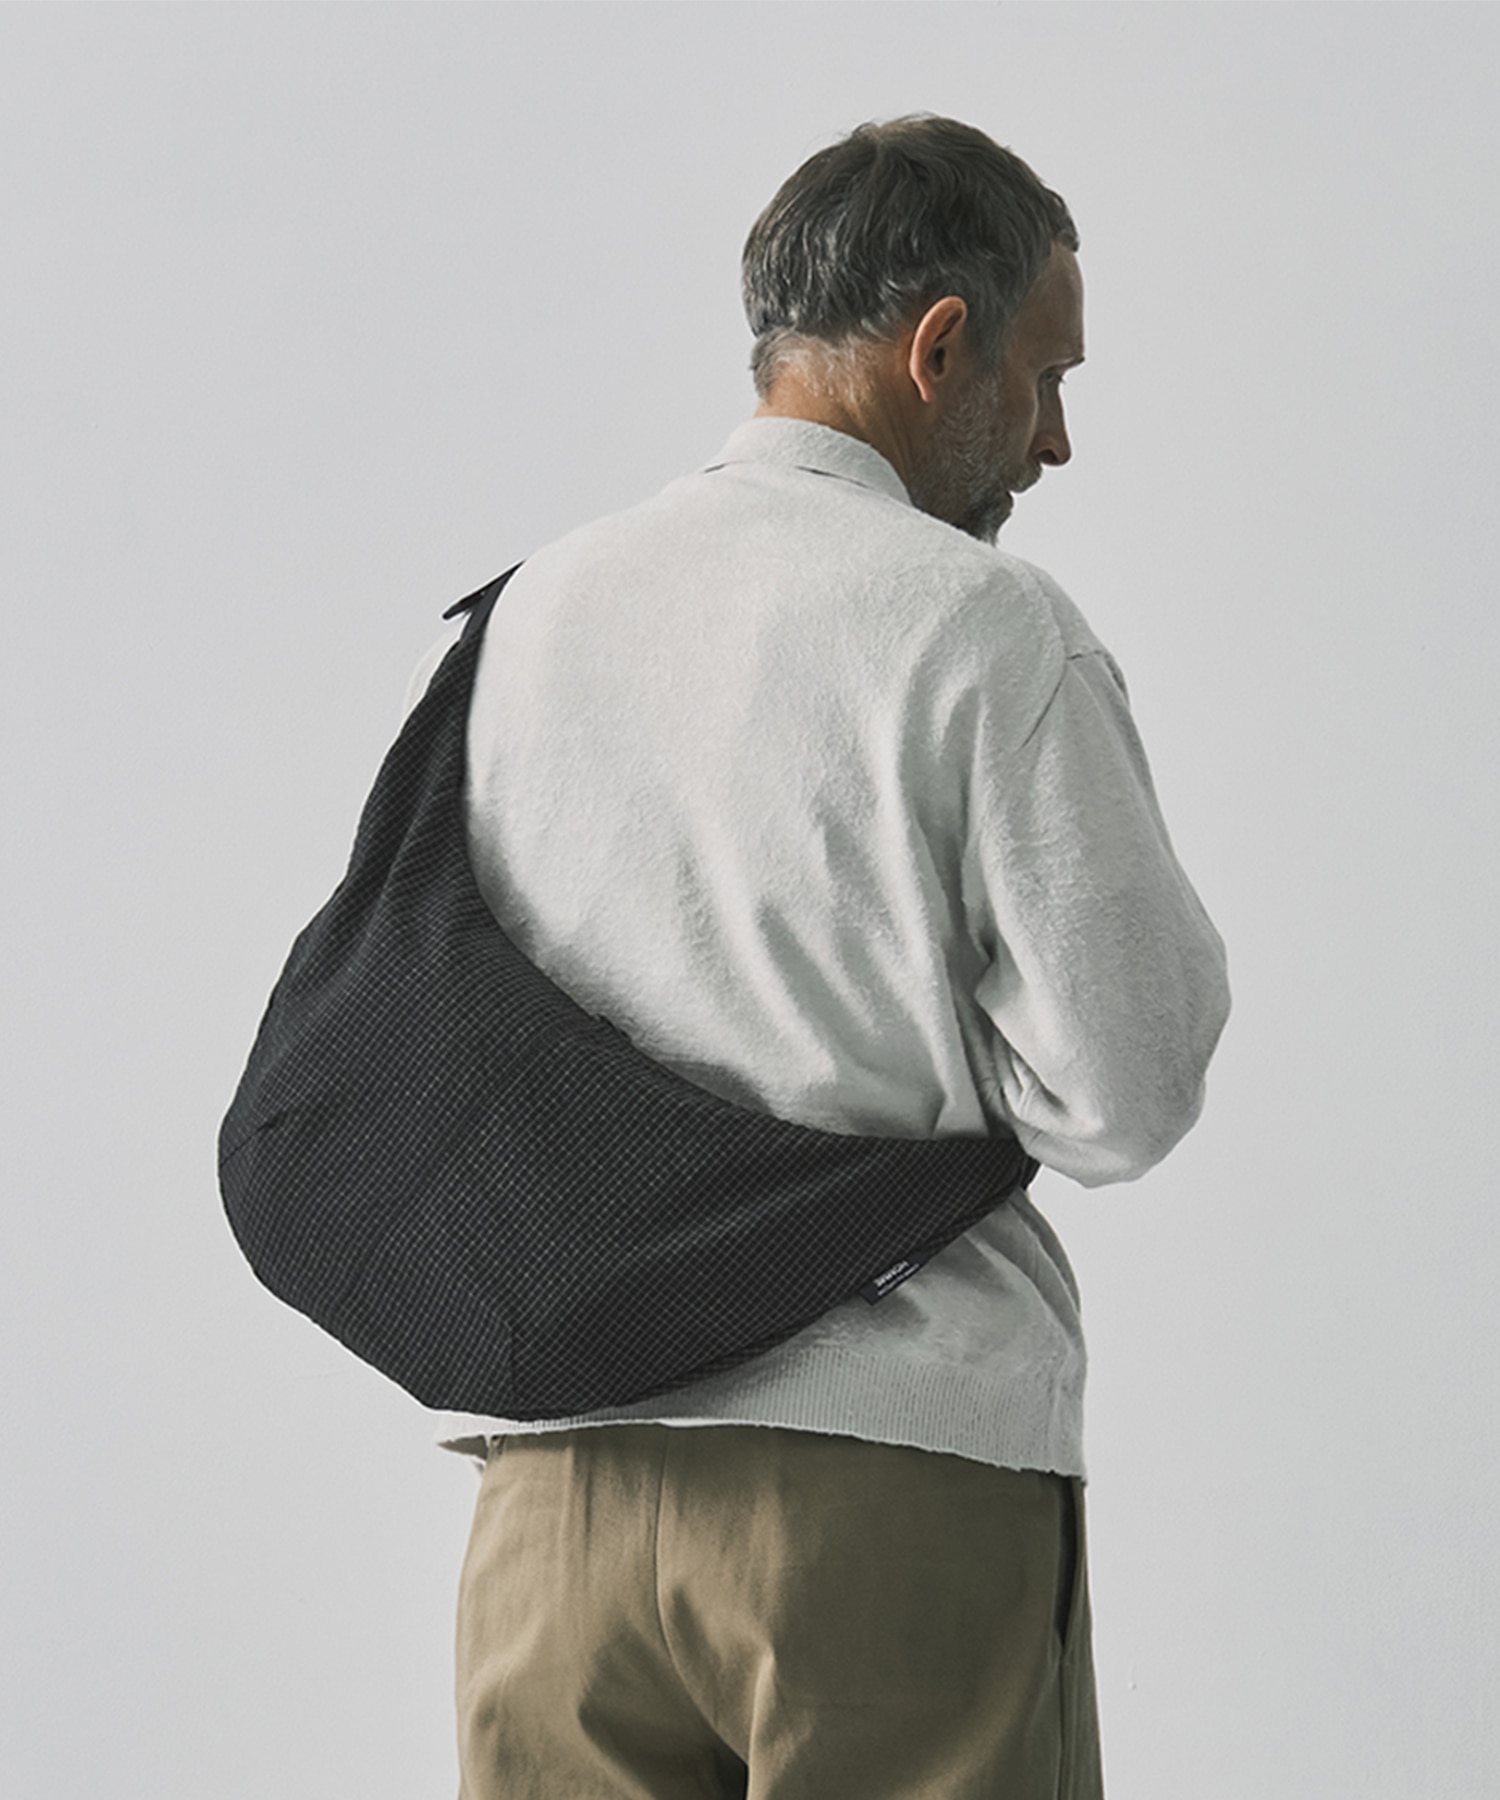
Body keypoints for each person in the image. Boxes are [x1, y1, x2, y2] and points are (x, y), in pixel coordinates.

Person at [412, 114, 1230, 1800]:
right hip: (889, 1473)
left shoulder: (531, 610)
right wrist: (958, 1056)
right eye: (1046, 378)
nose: (1056, 439)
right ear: (941, 347)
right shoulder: (982, 626)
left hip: (553, 1501)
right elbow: (1129, 1086)